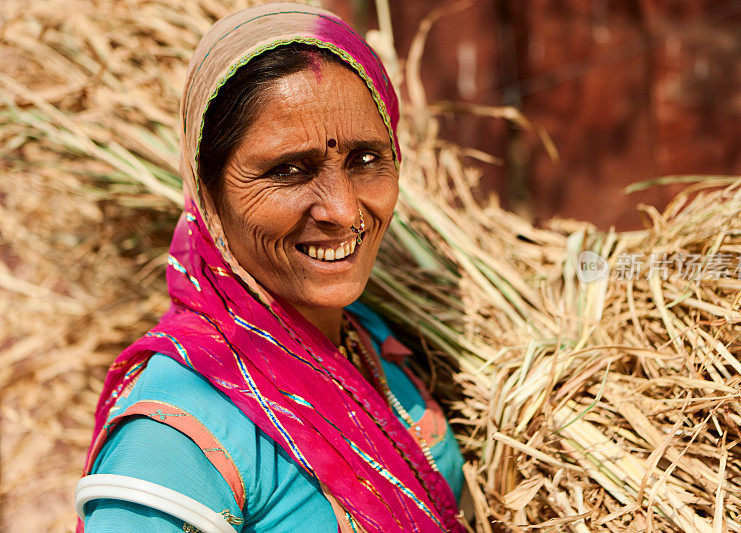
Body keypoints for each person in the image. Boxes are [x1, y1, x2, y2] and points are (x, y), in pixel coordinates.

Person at [74, 3, 465, 532]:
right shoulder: (173, 443)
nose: (345, 212)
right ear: (206, 193)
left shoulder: (374, 340)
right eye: (287, 170)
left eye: (366, 159)